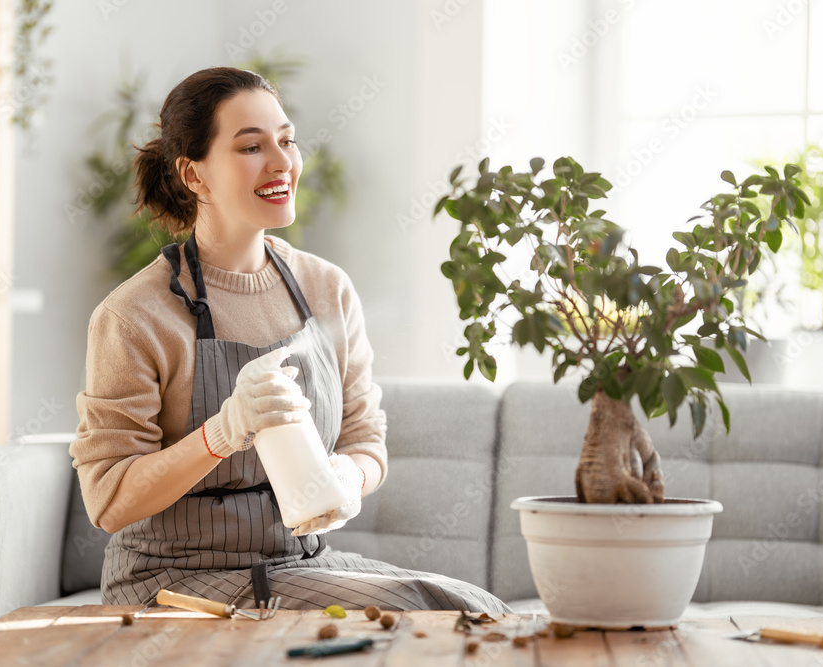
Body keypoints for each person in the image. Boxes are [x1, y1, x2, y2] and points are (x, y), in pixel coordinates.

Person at [69, 66, 511, 613]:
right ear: (193, 174)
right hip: (174, 582)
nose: (282, 163)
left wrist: (348, 477)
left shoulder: (326, 289)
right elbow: (109, 500)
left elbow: (365, 439)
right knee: (433, 609)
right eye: (251, 146)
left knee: (473, 606)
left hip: (300, 564)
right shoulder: (135, 315)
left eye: (286, 140)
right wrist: (223, 433)